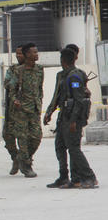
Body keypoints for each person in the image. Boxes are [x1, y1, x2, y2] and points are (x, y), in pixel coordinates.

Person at [44, 48, 98, 189]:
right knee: (60, 146)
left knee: (73, 148)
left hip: (72, 118)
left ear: (63, 60)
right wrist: (50, 112)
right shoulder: (64, 75)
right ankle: (68, 178)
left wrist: (74, 121)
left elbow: (79, 100)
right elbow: (58, 96)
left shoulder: (74, 77)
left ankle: (89, 176)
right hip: (64, 117)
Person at [8, 43, 43, 178]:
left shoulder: (40, 69)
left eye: (36, 52)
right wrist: (15, 100)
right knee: (22, 139)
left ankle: (23, 158)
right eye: (34, 52)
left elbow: (40, 88)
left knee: (36, 137)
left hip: (34, 108)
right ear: (27, 54)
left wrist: (39, 101)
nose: (36, 54)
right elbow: (12, 89)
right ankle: (27, 166)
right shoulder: (18, 70)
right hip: (21, 109)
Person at [3, 45, 25, 175]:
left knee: (27, 139)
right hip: (12, 110)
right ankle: (15, 158)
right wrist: (17, 79)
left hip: (26, 110)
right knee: (7, 136)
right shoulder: (12, 70)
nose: (18, 56)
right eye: (16, 54)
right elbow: (7, 84)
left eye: (20, 54)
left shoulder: (35, 70)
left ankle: (25, 162)